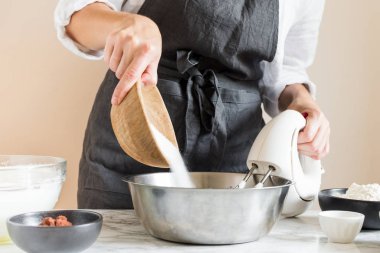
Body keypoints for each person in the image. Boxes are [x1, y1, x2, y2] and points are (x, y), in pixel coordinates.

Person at [55, 0, 330, 209]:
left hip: (237, 152)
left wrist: (303, 103)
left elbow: (286, 69)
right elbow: (76, 18)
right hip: (137, 131)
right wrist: (124, 24)